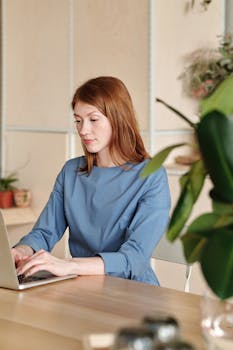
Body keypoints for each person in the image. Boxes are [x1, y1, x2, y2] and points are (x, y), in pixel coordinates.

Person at [12, 76, 171, 285]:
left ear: (118, 118)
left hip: (134, 293)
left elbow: (135, 258)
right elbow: (45, 232)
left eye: (93, 119)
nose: (83, 130)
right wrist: (20, 252)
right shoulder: (71, 172)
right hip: (83, 288)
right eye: (78, 120)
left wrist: (70, 265)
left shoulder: (151, 175)